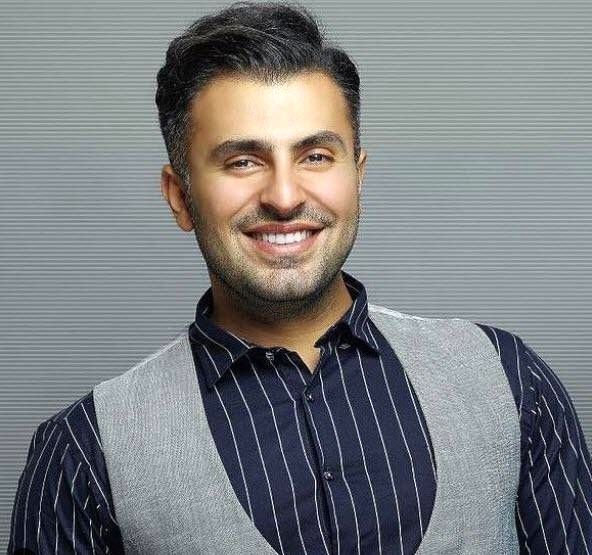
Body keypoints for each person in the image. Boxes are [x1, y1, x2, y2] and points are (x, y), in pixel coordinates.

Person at [8, 2, 592, 553]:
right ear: (180, 196)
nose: (285, 197)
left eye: (315, 156)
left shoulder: (510, 382)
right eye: (243, 161)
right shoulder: (83, 453)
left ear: (357, 177)